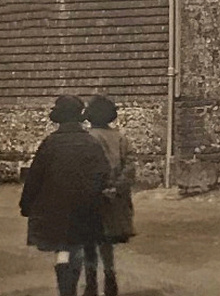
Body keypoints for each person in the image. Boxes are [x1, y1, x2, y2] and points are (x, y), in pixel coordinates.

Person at [20, 95, 112, 296]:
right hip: (84, 206)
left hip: (55, 208)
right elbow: (104, 174)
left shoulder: (50, 143)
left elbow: (35, 176)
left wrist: (26, 204)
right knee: (77, 246)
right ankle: (70, 283)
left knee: (61, 249)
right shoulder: (90, 143)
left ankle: (65, 288)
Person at [84, 94, 136, 296]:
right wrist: (116, 187)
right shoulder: (121, 139)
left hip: (93, 197)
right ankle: (110, 279)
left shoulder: (87, 138)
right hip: (114, 200)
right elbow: (129, 167)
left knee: (89, 242)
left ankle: (91, 285)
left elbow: (86, 169)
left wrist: (97, 188)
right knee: (107, 244)